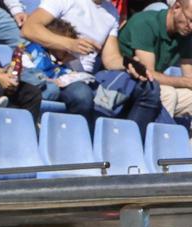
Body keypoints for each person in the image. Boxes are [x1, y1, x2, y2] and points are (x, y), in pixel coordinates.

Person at [23, 0, 164, 131]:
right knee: (82, 95)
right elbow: (29, 28)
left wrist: (128, 63)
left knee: (150, 87)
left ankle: (127, 144)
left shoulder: (111, 13)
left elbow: (110, 59)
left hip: (86, 77)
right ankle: (75, 144)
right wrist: (70, 44)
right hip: (57, 71)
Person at [118, 0, 192, 121]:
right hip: (126, 82)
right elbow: (148, 74)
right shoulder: (145, 23)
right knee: (168, 94)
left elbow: (189, 77)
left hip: (153, 86)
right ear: (176, 7)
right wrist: (185, 82)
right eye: (190, 20)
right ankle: (157, 137)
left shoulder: (185, 34)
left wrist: (187, 82)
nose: (191, 27)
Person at [21, 18, 98, 102]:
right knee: (51, 89)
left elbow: (82, 75)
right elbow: (25, 65)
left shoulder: (66, 61)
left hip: (57, 90)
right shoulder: (35, 50)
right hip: (36, 84)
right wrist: (44, 79)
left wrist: (72, 63)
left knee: (85, 92)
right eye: (65, 46)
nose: (68, 50)